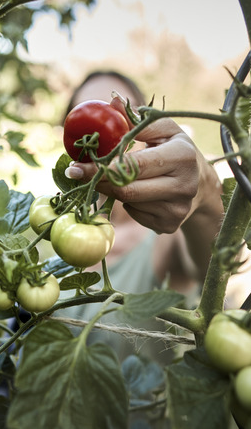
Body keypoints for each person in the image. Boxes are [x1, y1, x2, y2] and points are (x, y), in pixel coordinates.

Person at [57, 70, 224, 363]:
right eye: (83, 109)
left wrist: (206, 196)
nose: (96, 124)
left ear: (144, 132)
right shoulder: (56, 227)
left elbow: (212, 263)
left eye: (114, 111)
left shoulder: (164, 235)